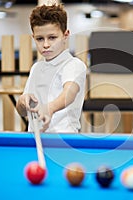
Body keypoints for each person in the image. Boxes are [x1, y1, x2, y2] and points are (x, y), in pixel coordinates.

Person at [16, 3, 86, 133]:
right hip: (35, 138)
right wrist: (21, 102)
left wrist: (50, 108)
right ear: (33, 38)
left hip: (64, 141)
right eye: (40, 39)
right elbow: (22, 112)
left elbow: (69, 93)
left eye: (52, 38)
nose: (46, 44)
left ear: (66, 35)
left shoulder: (74, 65)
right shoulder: (36, 68)